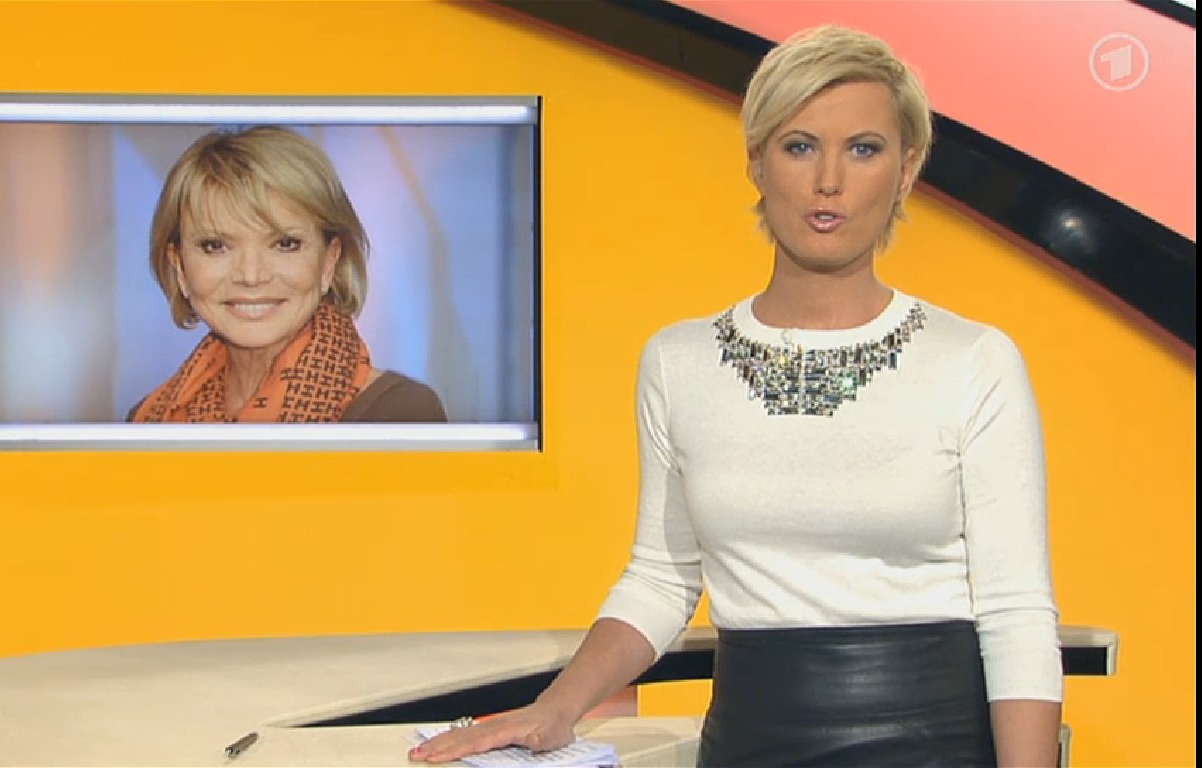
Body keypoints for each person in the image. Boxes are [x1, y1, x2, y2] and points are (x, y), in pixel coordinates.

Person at [410, 25, 1062, 768]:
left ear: (907, 168)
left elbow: (1016, 611)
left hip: (930, 743)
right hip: (747, 741)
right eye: (799, 146)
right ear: (756, 160)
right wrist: (554, 709)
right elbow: (662, 578)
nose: (829, 181)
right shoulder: (678, 362)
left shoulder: (973, 361)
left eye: (863, 149)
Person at [128, 126, 447, 424]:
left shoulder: (399, 413)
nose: (251, 275)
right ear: (180, 267)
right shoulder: (147, 420)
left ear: (329, 262)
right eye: (216, 246)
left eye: (285, 244)